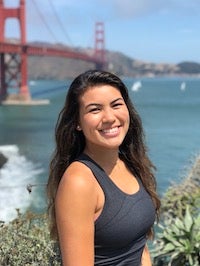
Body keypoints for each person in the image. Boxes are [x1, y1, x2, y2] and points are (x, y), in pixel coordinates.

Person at [47, 70, 160, 266]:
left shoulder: (130, 163)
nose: (109, 117)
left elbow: (140, 247)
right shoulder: (79, 182)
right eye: (94, 109)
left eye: (116, 105)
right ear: (77, 123)